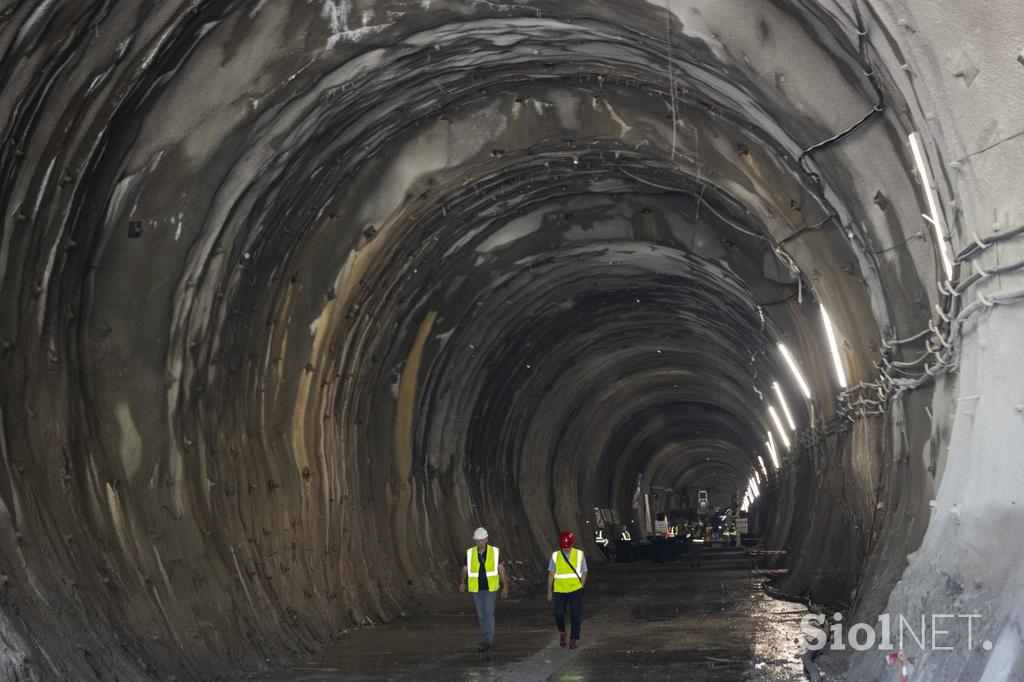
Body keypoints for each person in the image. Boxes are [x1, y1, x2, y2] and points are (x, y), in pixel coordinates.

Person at [458, 527, 509, 652]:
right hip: (476, 589)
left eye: (481, 540)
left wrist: (505, 586)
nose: (479, 542)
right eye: (477, 540)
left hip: (490, 588)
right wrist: (462, 583)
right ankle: (485, 639)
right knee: (481, 615)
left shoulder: (494, 552)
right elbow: (465, 569)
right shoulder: (470, 553)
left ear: (486, 540)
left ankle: (487, 641)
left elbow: (501, 569)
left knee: (488, 613)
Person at [547, 530, 587, 649]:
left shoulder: (579, 554)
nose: (566, 549)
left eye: (568, 547)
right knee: (558, 613)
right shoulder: (555, 555)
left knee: (576, 614)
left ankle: (574, 638)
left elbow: (584, 571)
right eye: (564, 547)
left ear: (572, 544)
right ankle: (562, 631)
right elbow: (551, 574)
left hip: (575, 589)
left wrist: (581, 586)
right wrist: (549, 591)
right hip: (560, 590)